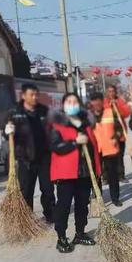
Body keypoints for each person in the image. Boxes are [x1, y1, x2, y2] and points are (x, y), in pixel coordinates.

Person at [49, 93, 100, 253]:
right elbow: (55, 146)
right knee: (63, 206)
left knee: (82, 205)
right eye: (69, 102)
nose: (72, 104)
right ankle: (61, 237)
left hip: (84, 172)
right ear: (63, 105)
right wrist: (74, 142)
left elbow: (93, 148)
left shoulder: (85, 124)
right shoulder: (57, 125)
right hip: (66, 174)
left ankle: (80, 233)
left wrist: (97, 170)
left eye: (75, 102)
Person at [5, 83, 55, 223]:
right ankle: (27, 218)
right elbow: (8, 136)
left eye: (36, 95)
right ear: (23, 95)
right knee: (26, 190)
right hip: (25, 158)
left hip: (44, 156)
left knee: (48, 188)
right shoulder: (14, 112)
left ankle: (50, 213)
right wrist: (7, 132)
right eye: (31, 95)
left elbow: (52, 130)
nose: (34, 97)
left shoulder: (44, 111)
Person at [89, 92, 122, 207]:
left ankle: (115, 198)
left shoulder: (110, 112)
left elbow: (119, 129)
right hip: (95, 150)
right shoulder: (88, 116)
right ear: (91, 103)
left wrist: (116, 137)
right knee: (96, 175)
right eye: (94, 100)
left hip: (110, 149)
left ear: (102, 101)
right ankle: (98, 198)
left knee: (113, 175)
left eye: (98, 100)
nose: (96, 103)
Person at [104, 85, 131, 182]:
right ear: (106, 92)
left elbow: (127, 112)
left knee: (120, 156)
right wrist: (109, 106)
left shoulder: (120, 101)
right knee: (107, 157)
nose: (111, 93)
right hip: (107, 136)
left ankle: (121, 175)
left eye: (112, 91)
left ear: (115, 92)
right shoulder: (104, 102)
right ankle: (106, 177)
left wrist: (117, 106)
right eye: (109, 91)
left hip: (120, 134)